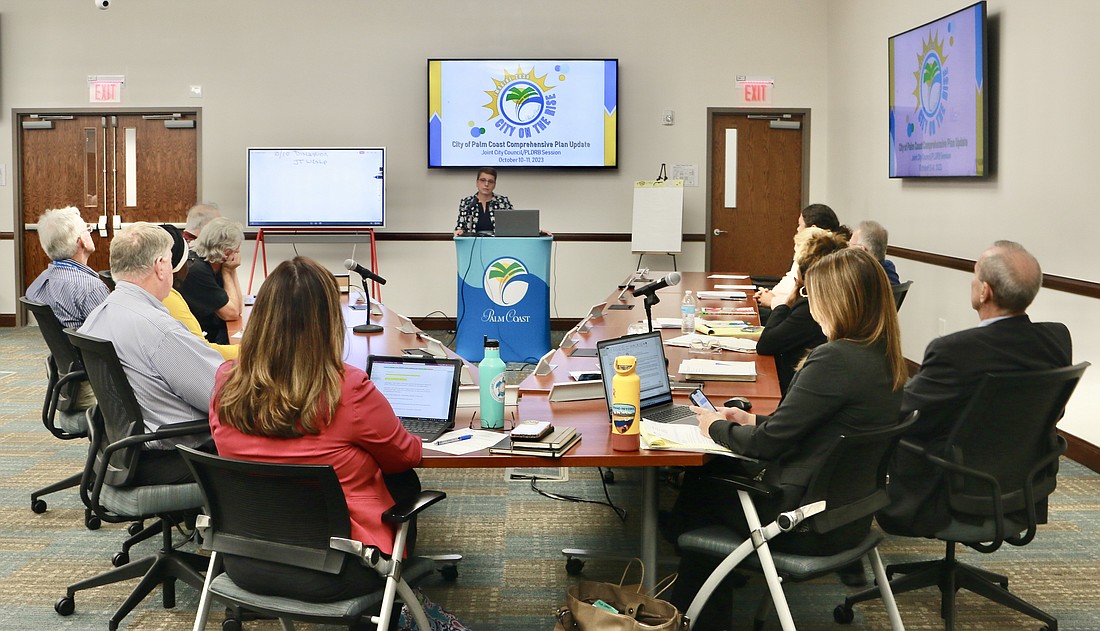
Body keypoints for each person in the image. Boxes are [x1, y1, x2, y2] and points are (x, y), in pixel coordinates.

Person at [666, 248, 906, 622]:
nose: (810, 305)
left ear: (839, 301)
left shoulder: (833, 359)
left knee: (698, 485)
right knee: (703, 497)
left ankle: (695, 614)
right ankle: (702, 607)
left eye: (813, 295)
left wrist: (712, 425)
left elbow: (766, 447)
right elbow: (813, 426)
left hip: (803, 522)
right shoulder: (885, 357)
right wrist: (750, 420)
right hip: (851, 517)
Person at [209, 256, 423, 604]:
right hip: (338, 568)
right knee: (403, 481)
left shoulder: (226, 382)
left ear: (260, 318)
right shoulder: (347, 387)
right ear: (328, 322)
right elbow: (406, 455)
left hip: (245, 560)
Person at [877, 240, 1072, 537]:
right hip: (1022, 486)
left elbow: (904, 414)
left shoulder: (955, 351)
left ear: (985, 291)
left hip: (950, 490)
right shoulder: (1056, 339)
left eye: (975, 275)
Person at [78, 222, 223, 484]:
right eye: (170, 261)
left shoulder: (98, 316)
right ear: (160, 266)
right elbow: (222, 398)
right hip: (174, 458)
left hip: (123, 452)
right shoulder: (159, 331)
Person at [756, 227, 849, 394]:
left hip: (793, 387)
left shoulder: (810, 308)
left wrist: (788, 300)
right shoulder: (833, 300)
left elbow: (766, 344)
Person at [159, 224, 239, 360]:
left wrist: (231, 269)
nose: (189, 266)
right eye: (188, 261)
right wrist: (250, 350)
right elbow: (232, 313)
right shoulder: (170, 295)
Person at [27, 206, 110, 329]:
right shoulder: (90, 288)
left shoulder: (39, 283)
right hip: (89, 348)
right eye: (87, 229)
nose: (90, 231)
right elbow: (112, 332)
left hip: (68, 346)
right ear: (82, 241)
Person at [755, 203, 845, 314]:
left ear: (813, 229)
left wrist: (771, 300)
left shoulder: (818, 258)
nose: (797, 229)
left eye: (799, 225)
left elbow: (799, 298)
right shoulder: (807, 250)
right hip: (781, 305)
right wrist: (768, 294)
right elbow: (789, 281)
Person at [178, 217, 244, 345]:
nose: (238, 252)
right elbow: (232, 313)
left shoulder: (213, 263)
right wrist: (227, 272)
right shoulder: (196, 270)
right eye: (236, 249)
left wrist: (231, 269)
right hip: (199, 340)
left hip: (212, 332)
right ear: (226, 251)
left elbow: (238, 306)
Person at [454, 167, 513, 236]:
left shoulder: (503, 202)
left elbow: (512, 225)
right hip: (473, 244)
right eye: (483, 180)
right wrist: (459, 231)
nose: (486, 184)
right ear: (477, 183)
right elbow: (460, 227)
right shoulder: (467, 203)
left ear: (494, 185)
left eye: (490, 181)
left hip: (498, 243)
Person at [851, 219, 900, 285]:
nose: (848, 248)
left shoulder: (859, 276)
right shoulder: (889, 267)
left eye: (851, 244)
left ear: (861, 250)